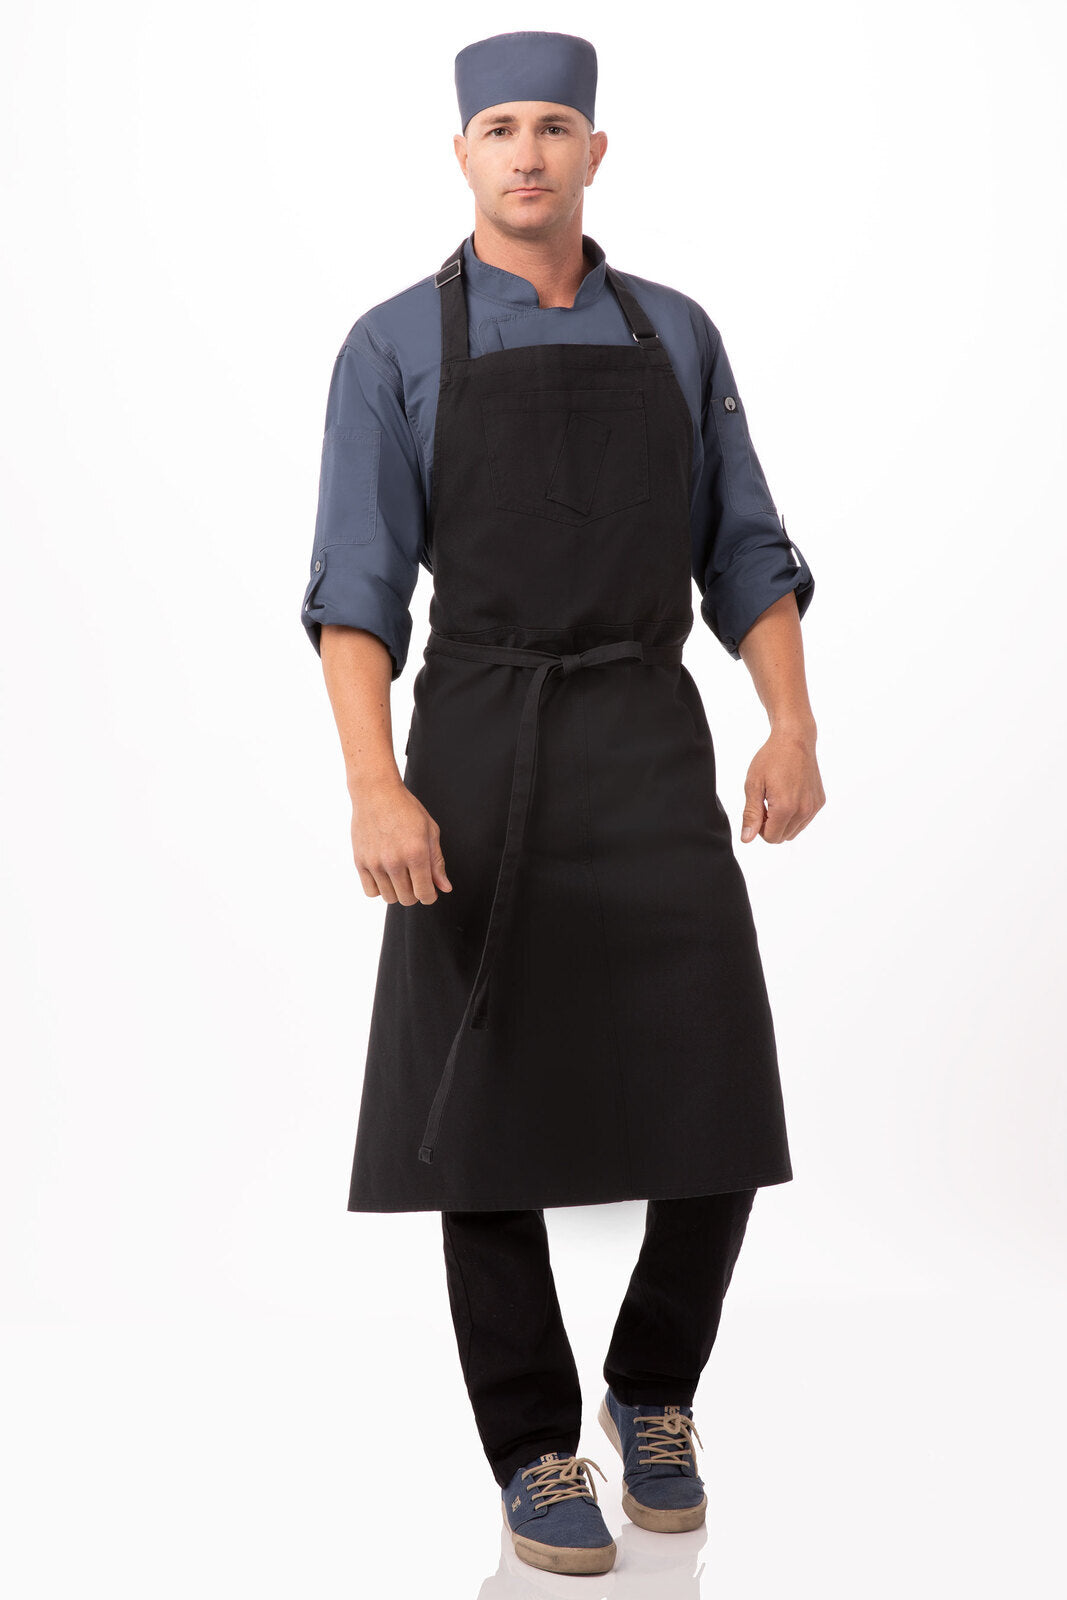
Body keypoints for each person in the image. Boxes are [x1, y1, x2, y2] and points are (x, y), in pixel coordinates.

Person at [300, 29, 824, 1577]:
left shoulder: (676, 332)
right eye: (499, 128)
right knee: (485, 1121)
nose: (526, 151)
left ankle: (652, 1391)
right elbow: (356, 587)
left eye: (553, 127)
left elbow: (746, 546)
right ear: (462, 154)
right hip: (472, 745)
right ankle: (533, 1446)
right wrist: (374, 782)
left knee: (718, 1093)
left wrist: (790, 719)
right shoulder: (392, 345)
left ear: (596, 152)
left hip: (645, 735)